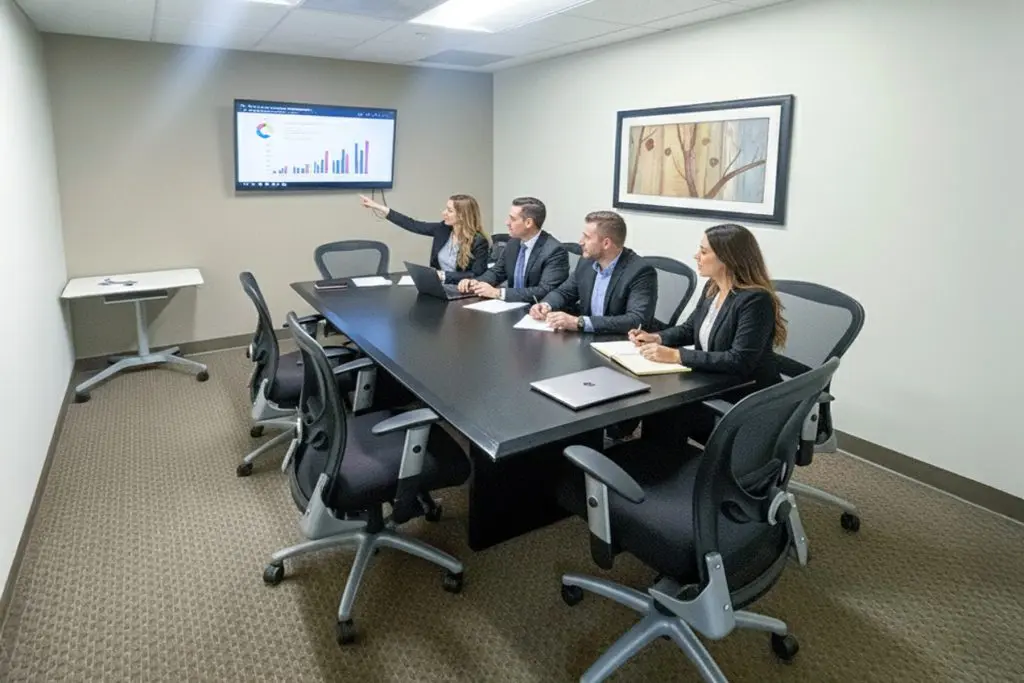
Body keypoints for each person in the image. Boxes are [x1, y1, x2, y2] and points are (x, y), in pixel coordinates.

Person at [629, 223, 787, 450]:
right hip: (713, 381)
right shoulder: (713, 287)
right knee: (659, 402)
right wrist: (657, 338)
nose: (696, 256)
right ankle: (655, 466)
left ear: (727, 258)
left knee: (664, 407)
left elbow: (738, 360)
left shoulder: (755, 300)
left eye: (704, 252)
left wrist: (676, 356)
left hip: (743, 396)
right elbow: (689, 328)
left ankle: (663, 472)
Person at [528, 210, 657, 334]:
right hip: (587, 340)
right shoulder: (587, 262)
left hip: (617, 342)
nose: (580, 242)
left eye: (587, 237)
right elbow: (564, 292)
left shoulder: (640, 272)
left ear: (606, 243)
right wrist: (546, 305)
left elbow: (636, 320)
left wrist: (580, 322)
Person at [457, 197, 569, 302]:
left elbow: (545, 290)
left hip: (538, 310)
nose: (507, 222)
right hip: (510, 307)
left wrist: (498, 293)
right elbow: (497, 272)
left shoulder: (555, 250)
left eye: (513, 219)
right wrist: (476, 282)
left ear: (528, 223)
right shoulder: (513, 243)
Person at [359, 194, 490, 284]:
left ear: (462, 216)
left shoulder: (479, 241)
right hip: (439, 288)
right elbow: (413, 225)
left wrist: (443, 276)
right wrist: (379, 207)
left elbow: (476, 275)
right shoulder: (443, 229)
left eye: (449, 211)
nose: (444, 213)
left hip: (462, 292)